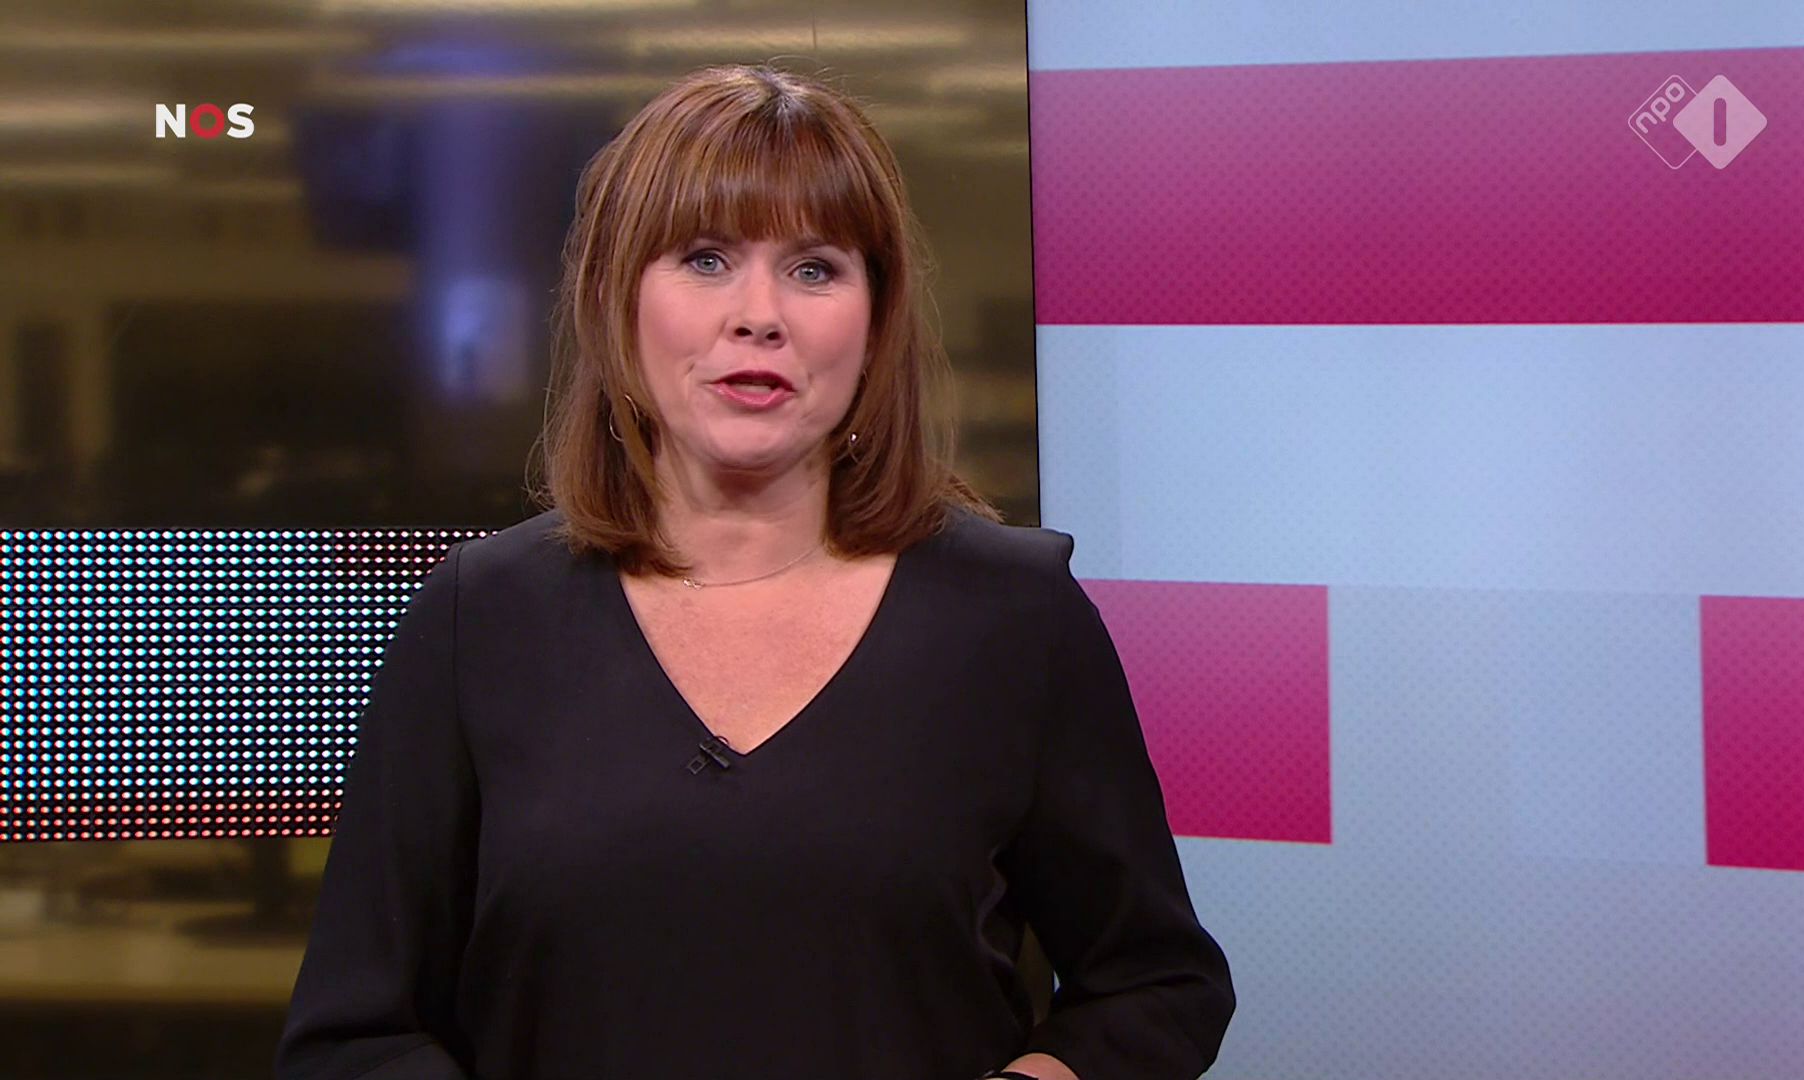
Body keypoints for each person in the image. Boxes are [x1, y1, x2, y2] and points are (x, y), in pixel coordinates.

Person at [275, 64, 1234, 1080]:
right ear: (614, 298)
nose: (760, 314)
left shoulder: (1013, 615)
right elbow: (354, 1036)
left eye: (815, 269)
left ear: (875, 320)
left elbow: (1156, 986)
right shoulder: (481, 617)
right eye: (706, 259)